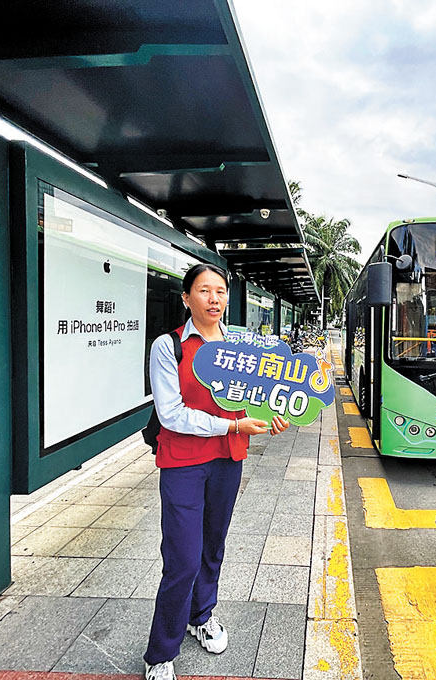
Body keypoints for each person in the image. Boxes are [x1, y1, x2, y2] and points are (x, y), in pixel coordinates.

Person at [144, 264, 290, 680]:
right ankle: (160, 654)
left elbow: (255, 400)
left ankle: (201, 616)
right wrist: (231, 425)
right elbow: (170, 414)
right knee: (182, 559)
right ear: (187, 298)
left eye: (221, 291)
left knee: (212, 547)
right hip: (183, 463)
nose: (214, 299)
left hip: (228, 460)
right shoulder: (169, 346)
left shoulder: (243, 346)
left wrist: (270, 417)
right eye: (204, 291)